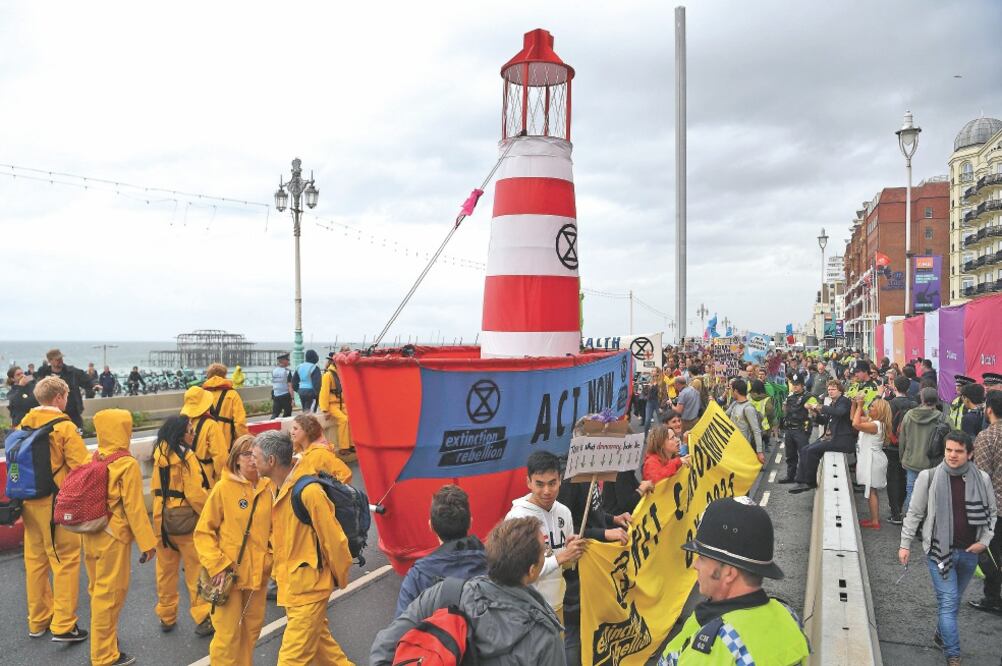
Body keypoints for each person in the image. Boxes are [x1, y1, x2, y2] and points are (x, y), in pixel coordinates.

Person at [371, 516, 567, 666]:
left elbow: (385, 647)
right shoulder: (545, 636)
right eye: (545, 551)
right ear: (532, 570)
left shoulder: (446, 594)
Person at [659, 497, 809, 664]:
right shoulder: (787, 615)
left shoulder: (717, 643)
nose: (695, 565)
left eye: (702, 558)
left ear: (729, 574)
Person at [252, 429, 354, 665]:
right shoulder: (275, 486)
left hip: (309, 589)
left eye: (255, 457)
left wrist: (338, 578)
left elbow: (335, 540)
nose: (251, 461)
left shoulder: (308, 492)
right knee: (326, 653)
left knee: (291, 660)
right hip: (295, 588)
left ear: (271, 461)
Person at [899, 431, 996, 665]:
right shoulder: (928, 477)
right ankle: (953, 655)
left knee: (953, 600)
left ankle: (941, 634)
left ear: (970, 454)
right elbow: (914, 512)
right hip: (938, 552)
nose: (952, 455)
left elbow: (991, 513)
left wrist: (984, 541)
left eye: (959, 451)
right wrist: (905, 544)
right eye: (949, 450)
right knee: (949, 601)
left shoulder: (981, 478)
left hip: (969, 552)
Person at [18, 377, 89, 642]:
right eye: (66, 395)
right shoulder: (63, 427)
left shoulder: (24, 422)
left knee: (35, 562)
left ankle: (38, 621)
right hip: (56, 503)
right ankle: (64, 625)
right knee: (65, 561)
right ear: (59, 397)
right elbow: (81, 467)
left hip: (28, 502)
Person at [84, 408, 157, 666]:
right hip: (113, 536)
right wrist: (148, 544)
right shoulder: (126, 464)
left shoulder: (93, 457)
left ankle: (106, 639)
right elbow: (135, 508)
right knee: (111, 594)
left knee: (97, 591)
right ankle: (104, 655)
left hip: (90, 533)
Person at [193, 434, 273, 666]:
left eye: (255, 453)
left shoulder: (269, 487)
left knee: (251, 631)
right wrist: (216, 564)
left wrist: (270, 557)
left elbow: (276, 529)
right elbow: (203, 532)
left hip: (258, 574)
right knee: (227, 637)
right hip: (227, 576)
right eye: (245, 454)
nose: (251, 459)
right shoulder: (223, 488)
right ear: (236, 459)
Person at [558, 468, 631, 666]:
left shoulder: (590, 475)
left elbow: (592, 512)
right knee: (574, 627)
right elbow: (570, 530)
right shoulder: (570, 481)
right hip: (579, 571)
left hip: (594, 569)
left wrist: (612, 519)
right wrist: (603, 534)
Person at [505, 451, 586, 620]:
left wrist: (573, 553)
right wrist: (562, 557)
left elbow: (567, 564)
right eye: (540, 484)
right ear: (529, 482)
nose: (547, 491)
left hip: (557, 606)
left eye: (552, 483)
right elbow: (519, 573)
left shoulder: (564, 512)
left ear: (560, 479)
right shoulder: (517, 518)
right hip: (528, 611)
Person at [151, 415, 213, 636]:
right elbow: (195, 494)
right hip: (185, 520)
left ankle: (166, 615)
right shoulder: (186, 457)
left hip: (161, 519)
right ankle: (203, 615)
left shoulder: (159, 453)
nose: (193, 434)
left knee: (165, 571)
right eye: (190, 431)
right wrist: (210, 513)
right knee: (196, 569)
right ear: (180, 433)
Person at [394, 484, 487, 617]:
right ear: (470, 522)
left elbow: (401, 626)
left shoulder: (418, 575)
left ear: (431, 526)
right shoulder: (495, 563)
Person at [970, 391, 1002, 615]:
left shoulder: (987, 436)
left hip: (995, 507)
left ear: (988, 409)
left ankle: (992, 598)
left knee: (992, 553)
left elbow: (982, 476)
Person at [791, 380, 854, 494]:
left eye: (833, 389)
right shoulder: (832, 404)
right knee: (805, 449)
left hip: (841, 439)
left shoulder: (844, 401)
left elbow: (839, 413)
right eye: (829, 389)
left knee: (811, 451)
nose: (830, 391)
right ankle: (800, 481)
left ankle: (810, 482)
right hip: (830, 437)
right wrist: (814, 414)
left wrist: (819, 406)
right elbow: (824, 420)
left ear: (840, 391)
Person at [899, 387, 949, 513]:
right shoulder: (944, 419)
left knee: (911, 491)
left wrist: (902, 458)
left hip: (911, 460)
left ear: (922, 398)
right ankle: (925, 522)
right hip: (933, 463)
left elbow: (902, 439)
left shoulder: (909, 415)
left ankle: (909, 521)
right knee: (930, 494)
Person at [33, 348, 99, 427]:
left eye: (61, 358)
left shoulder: (72, 372)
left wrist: (95, 384)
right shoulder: (43, 373)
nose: (60, 361)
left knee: (76, 436)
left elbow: (87, 379)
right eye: (57, 359)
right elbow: (36, 389)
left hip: (72, 414)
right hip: (52, 415)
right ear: (50, 361)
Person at [852, 398, 890, 528]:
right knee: (871, 489)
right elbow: (853, 418)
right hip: (871, 458)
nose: (869, 408)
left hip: (873, 460)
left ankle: (875, 521)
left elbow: (856, 425)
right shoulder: (873, 422)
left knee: (872, 490)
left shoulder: (876, 425)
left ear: (879, 410)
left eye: (872, 406)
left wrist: (860, 405)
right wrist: (855, 404)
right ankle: (874, 519)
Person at [181, 386, 228, 490]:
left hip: (185, 474)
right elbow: (220, 457)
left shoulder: (181, 423)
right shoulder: (210, 425)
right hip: (205, 478)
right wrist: (224, 480)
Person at [886, 375, 917, 524]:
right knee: (906, 477)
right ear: (908, 388)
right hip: (909, 446)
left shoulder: (889, 404)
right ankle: (904, 507)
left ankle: (895, 512)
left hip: (892, 446)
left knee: (893, 478)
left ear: (895, 387)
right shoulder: (914, 404)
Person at [289, 412, 353, 481]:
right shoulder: (297, 450)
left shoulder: (321, 453)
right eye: (292, 428)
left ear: (307, 431)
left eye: (295, 429)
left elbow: (346, 474)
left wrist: (329, 490)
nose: (291, 432)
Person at [202, 363, 249, 452]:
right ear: (224, 375)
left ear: (208, 376)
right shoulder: (232, 394)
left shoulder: (202, 394)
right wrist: (244, 442)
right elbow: (239, 423)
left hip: (206, 443)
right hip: (226, 443)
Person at [779, 372, 814, 484]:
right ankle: (791, 476)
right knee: (790, 455)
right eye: (793, 384)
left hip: (801, 430)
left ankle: (803, 477)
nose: (795, 386)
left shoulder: (809, 397)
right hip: (789, 429)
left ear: (802, 385)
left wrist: (811, 409)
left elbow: (813, 411)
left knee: (804, 454)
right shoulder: (790, 396)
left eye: (797, 384)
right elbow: (785, 411)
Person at [319, 351, 353, 454]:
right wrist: (325, 410)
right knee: (343, 420)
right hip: (332, 404)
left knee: (352, 419)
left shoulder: (341, 374)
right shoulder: (328, 375)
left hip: (342, 403)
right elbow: (324, 393)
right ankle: (343, 447)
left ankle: (352, 444)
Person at [725, 379, 764, 464]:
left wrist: (759, 452)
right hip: (732, 445)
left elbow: (756, 430)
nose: (731, 392)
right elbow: (723, 415)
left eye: (732, 390)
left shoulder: (748, 408)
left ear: (735, 391)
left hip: (743, 448)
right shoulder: (734, 404)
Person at [748, 379, 776, 451]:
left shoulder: (748, 396)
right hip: (763, 423)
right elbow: (771, 412)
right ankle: (766, 446)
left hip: (750, 422)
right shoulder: (766, 399)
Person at [271, 353, 294, 418]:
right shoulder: (287, 372)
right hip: (285, 395)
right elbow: (290, 386)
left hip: (276, 395)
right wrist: (292, 398)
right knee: (287, 414)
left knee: (275, 413)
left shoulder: (274, 371)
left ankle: (271, 426)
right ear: (283, 361)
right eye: (287, 360)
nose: (288, 361)